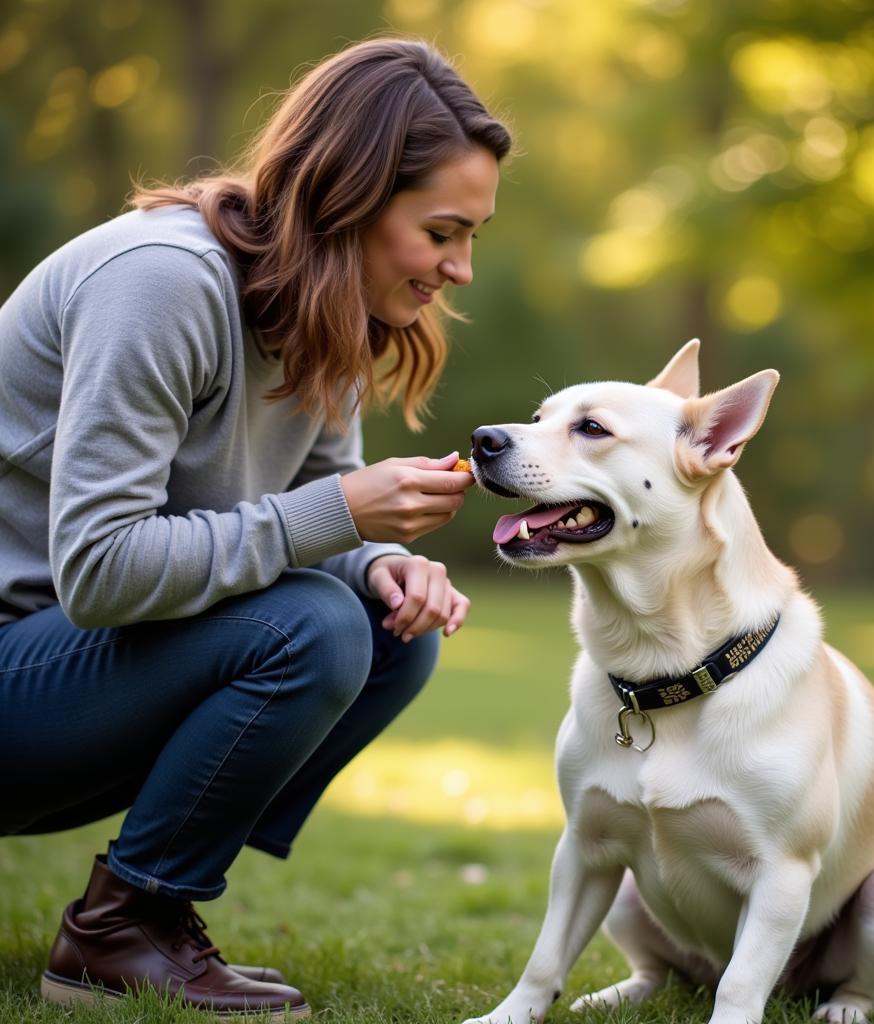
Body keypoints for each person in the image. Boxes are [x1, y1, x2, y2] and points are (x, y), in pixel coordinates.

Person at [0, 37, 511, 1019]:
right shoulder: (163, 281)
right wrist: (342, 519)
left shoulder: (329, 308)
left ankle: (145, 904)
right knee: (313, 625)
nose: (461, 268)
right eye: (443, 231)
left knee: (381, 629)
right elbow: (102, 570)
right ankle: (115, 935)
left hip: (72, 681)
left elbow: (322, 503)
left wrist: (388, 560)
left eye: (472, 235)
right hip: (21, 668)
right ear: (351, 197)